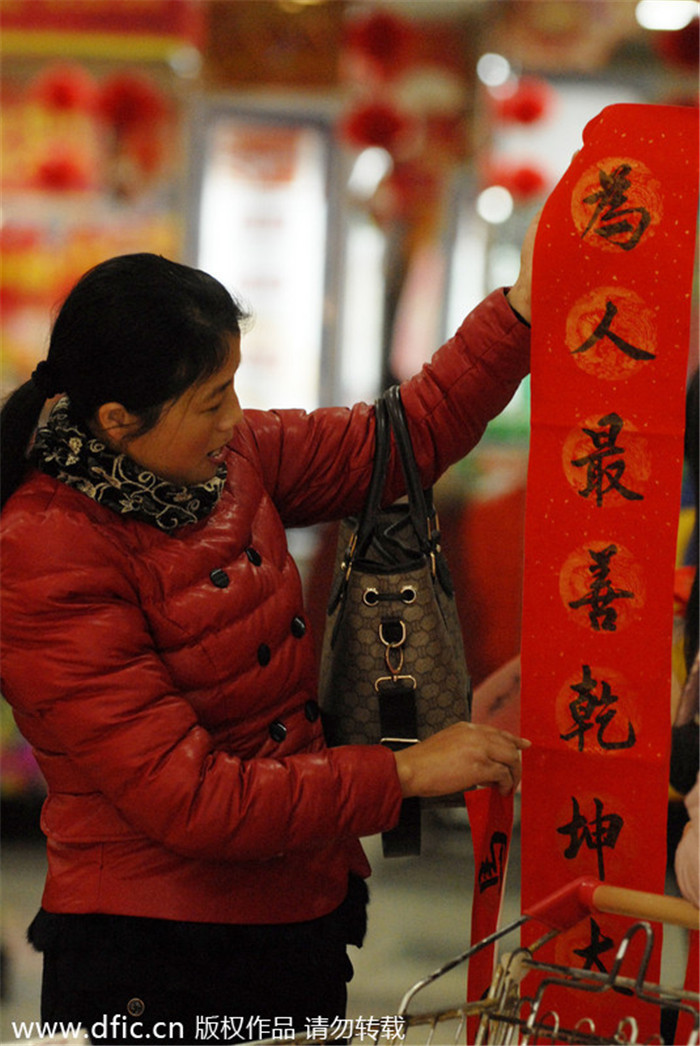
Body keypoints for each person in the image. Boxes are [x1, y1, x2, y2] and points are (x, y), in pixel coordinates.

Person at [0, 220, 535, 1043]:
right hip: (156, 952)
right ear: (115, 420)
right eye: (211, 400)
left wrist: (520, 314)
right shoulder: (45, 550)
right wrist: (402, 773)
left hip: (295, 910)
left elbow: (401, 438)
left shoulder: (230, 457)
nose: (234, 418)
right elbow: (194, 798)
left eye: (234, 389)